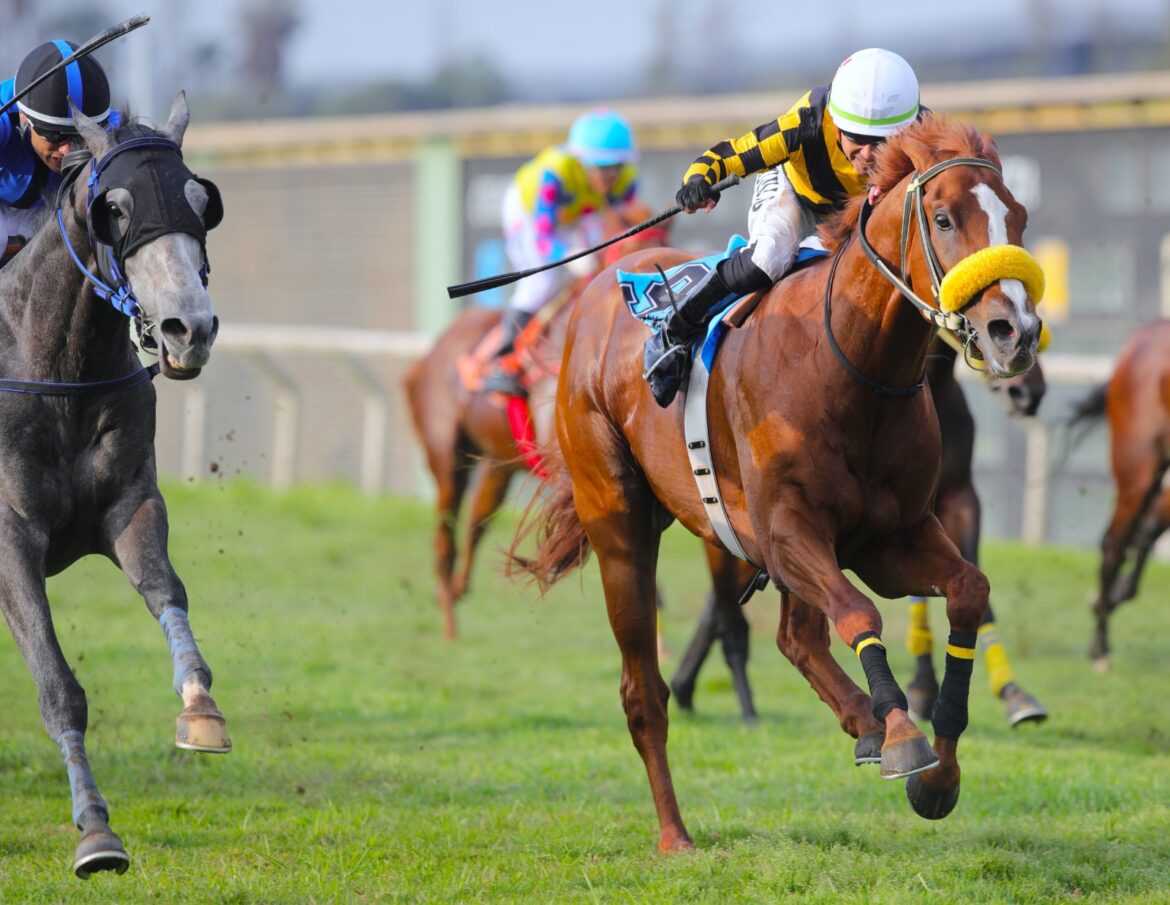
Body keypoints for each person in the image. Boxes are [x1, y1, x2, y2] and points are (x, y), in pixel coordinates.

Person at [643, 47, 923, 407]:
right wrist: (699, 179)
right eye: (856, 139)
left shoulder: (923, 133)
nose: (867, 156)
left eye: (882, 142)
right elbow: (726, 154)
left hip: (860, 210)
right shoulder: (803, 124)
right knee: (769, 257)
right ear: (836, 124)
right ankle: (675, 331)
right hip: (797, 194)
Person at [481, 108, 640, 397]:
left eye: (615, 167)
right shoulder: (554, 174)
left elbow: (620, 228)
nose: (609, 176)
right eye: (600, 167)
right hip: (528, 213)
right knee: (543, 280)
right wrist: (572, 256)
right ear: (580, 161)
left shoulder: (627, 180)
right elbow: (542, 240)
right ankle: (503, 362)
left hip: (577, 215)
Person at [0, 40, 117, 263]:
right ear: (25, 117)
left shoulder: (111, 128)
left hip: (44, 208)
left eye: (79, 136)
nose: (67, 149)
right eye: (54, 135)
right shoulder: (5, 119)